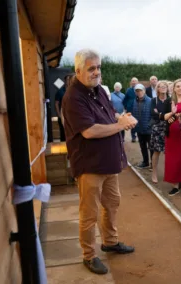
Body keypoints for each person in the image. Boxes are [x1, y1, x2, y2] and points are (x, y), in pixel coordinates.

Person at [62, 49, 136, 275]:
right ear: (78, 71)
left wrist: (121, 118)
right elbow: (89, 131)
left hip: (108, 161)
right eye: (91, 68)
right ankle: (89, 255)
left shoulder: (98, 90)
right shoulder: (73, 98)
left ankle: (110, 242)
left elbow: (111, 113)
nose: (96, 72)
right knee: (89, 213)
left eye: (98, 67)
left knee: (112, 202)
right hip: (90, 165)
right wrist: (120, 126)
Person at [150, 81, 170, 183]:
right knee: (156, 151)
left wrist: (160, 114)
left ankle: (169, 173)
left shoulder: (171, 100)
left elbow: (172, 114)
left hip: (169, 127)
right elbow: (153, 114)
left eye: (165, 86)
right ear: (157, 89)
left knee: (169, 152)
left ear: (167, 88)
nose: (163, 88)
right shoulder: (154, 100)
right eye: (161, 86)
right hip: (157, 128)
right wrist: (164, 115)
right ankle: (154, 173)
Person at [132, 84, 153, 169]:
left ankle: (153, 164)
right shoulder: (135, 101)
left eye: (140, 90)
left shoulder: (151, 101)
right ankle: (145, 162)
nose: (139, 92)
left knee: (151, 147)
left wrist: (149, 125)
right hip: (139, 129)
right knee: (142, 146)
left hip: (149, 129)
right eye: (137, 91)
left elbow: (154, 116)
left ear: (144, 91)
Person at [55, 74, 72, 141]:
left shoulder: (73, 90)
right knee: (63, 134)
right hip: (63, 116)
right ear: (65, 81)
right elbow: (56, 103)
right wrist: (59, 115)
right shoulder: (60, 91)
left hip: (71, 116)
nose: (69, 81)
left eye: (70, 80)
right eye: (68, 80)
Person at [124, 77, 139, 142]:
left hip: (139, 108)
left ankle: (139, 135)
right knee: (132, 123)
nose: (134, 82)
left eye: (135, 81)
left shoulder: (140, 89)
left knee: (139, 122)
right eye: (133, 81)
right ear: (131, 82)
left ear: (137, 82)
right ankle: (133, 137)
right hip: (130, 109)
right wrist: (126, 107)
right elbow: (125, 99)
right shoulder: (128, 90)